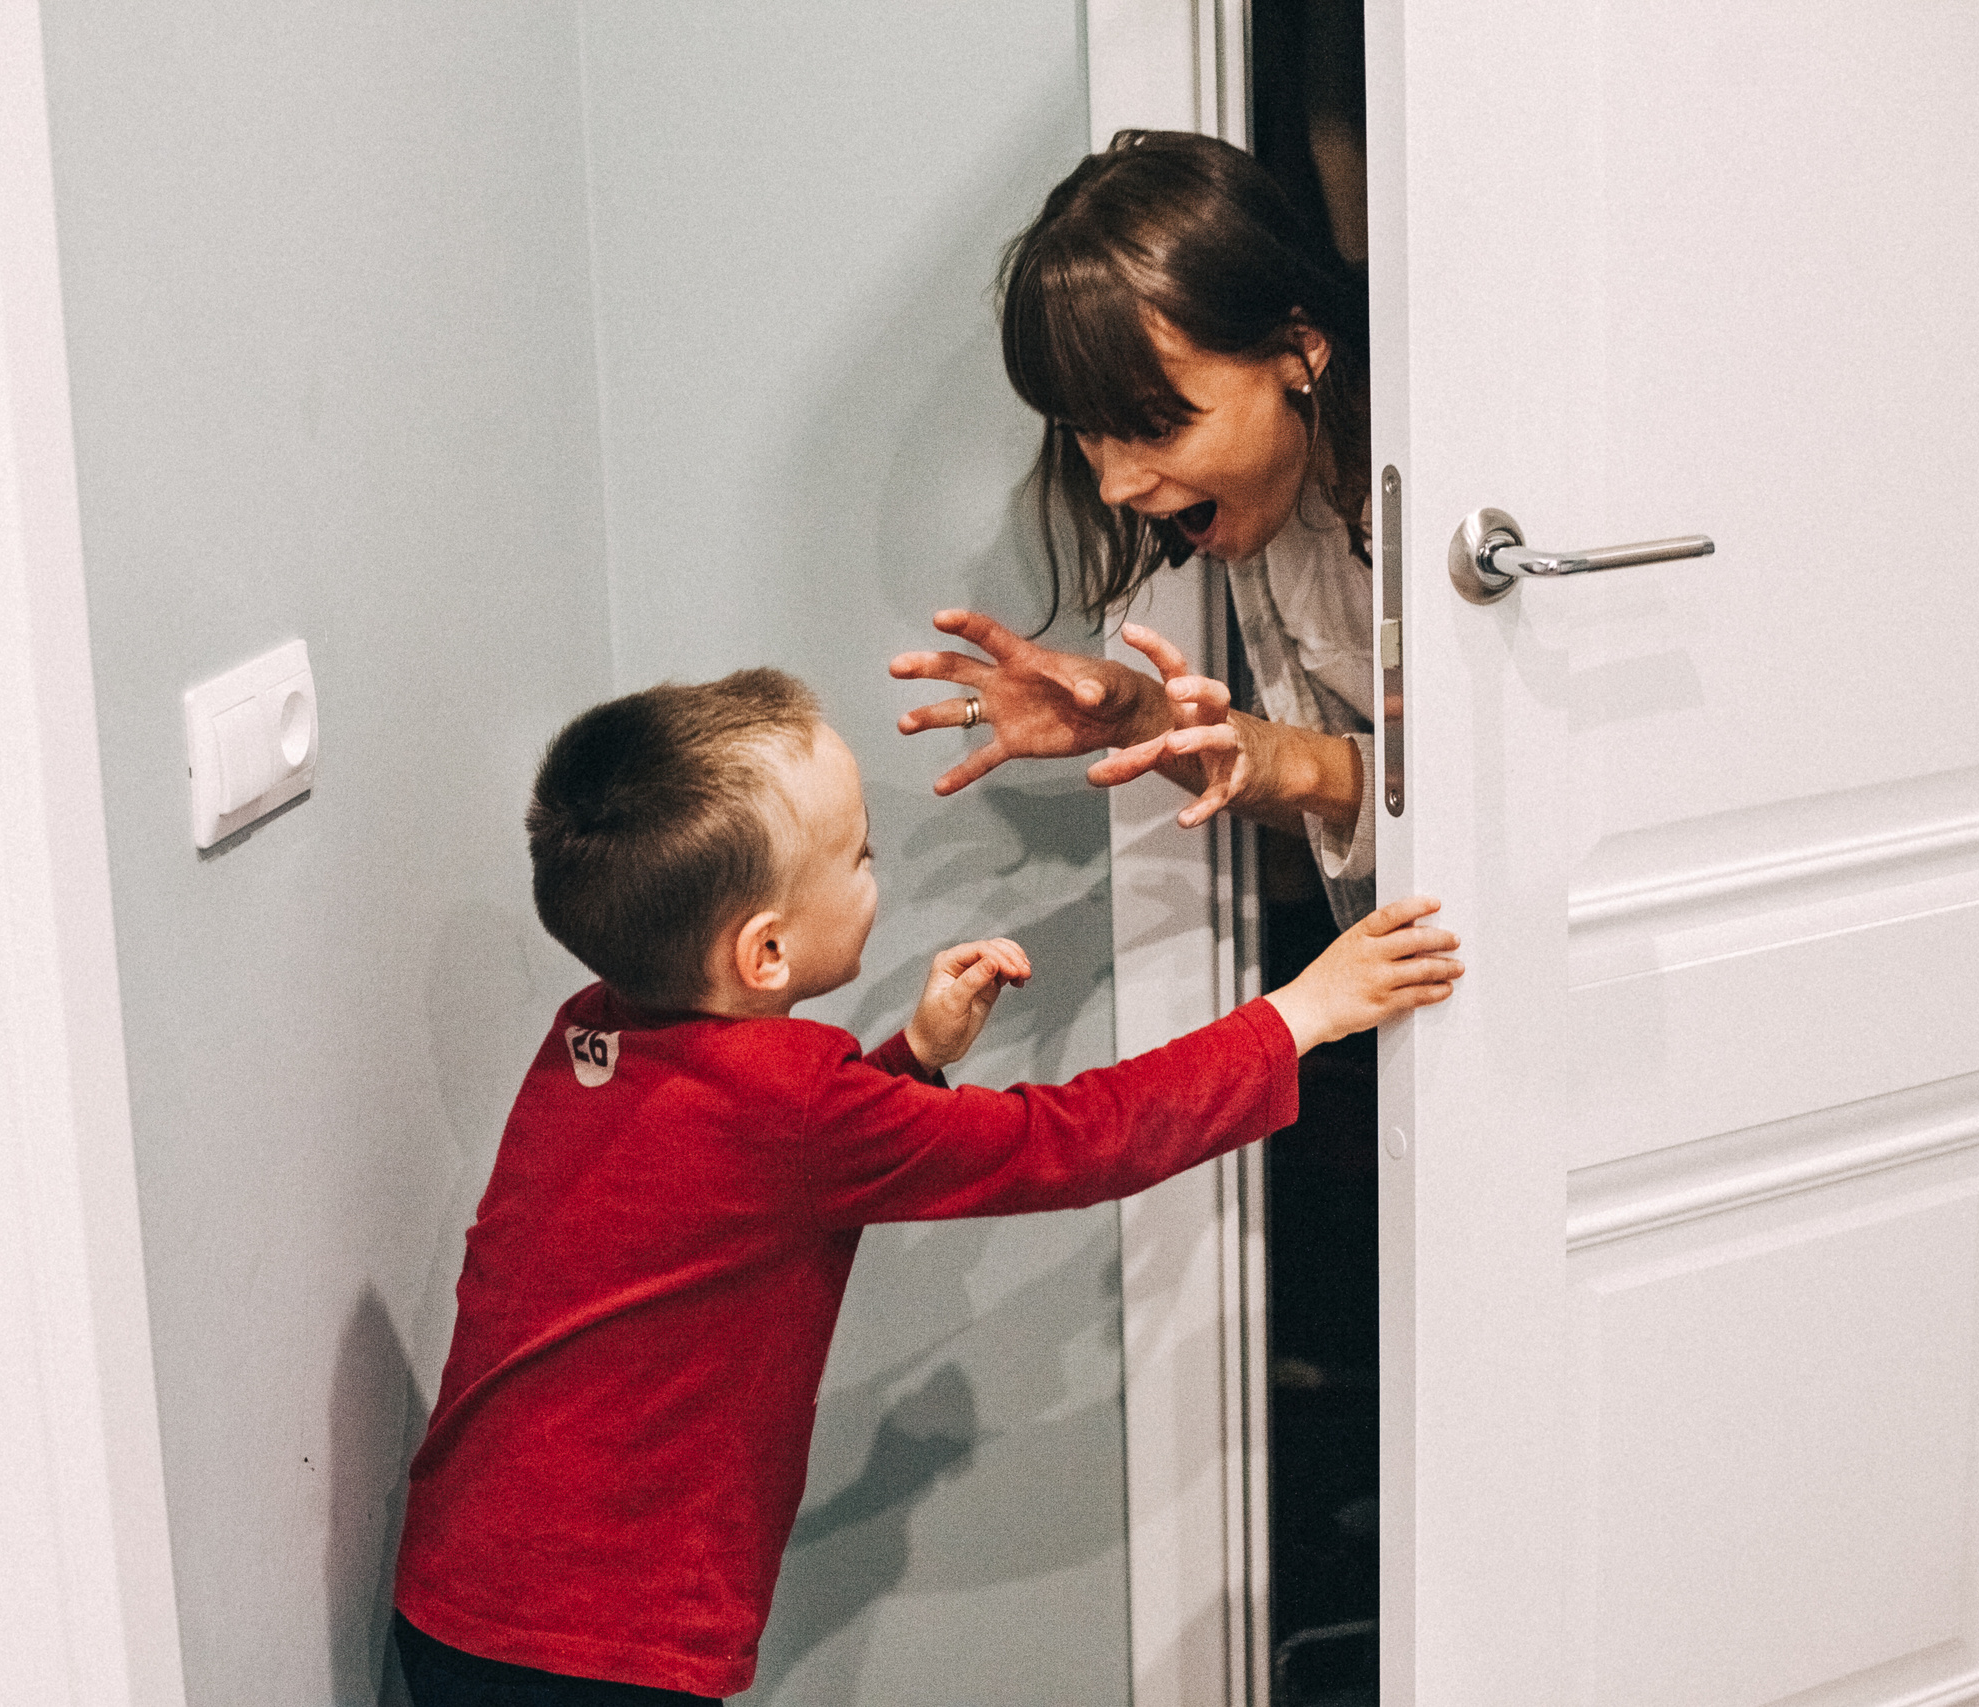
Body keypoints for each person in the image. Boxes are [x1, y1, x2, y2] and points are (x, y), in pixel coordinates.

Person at [390, 668, 1459, 1704]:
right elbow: (1074, 1143)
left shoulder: (591, 1028)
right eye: (857, 860)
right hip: (600, 1647)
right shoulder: (797, 1107)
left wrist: (908, 1058)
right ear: (764, 954)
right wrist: (1301, 1013)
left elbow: (745, 1171)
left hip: (459, 1583)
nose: (874, 871)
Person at [890, 127, 1378, 929]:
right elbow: (1372, 813)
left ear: (1300, 351)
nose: (1114, 486)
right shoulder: (1266, 506)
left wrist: (1286, 760)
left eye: (1155, 426)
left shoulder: (1443, 502)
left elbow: (1501, 801)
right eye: (1086, 430)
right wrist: (1141, 719)